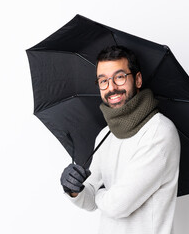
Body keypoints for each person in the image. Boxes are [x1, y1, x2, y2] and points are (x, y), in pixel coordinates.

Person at [60, 46, 181, 234]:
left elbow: (118, 205)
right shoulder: (105, 134)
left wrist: (99, 191)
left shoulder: (159, 132)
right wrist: (74, 189)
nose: (111, 88)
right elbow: (90, 199)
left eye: (119, 77)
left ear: (138, 79)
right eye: (103, 81)